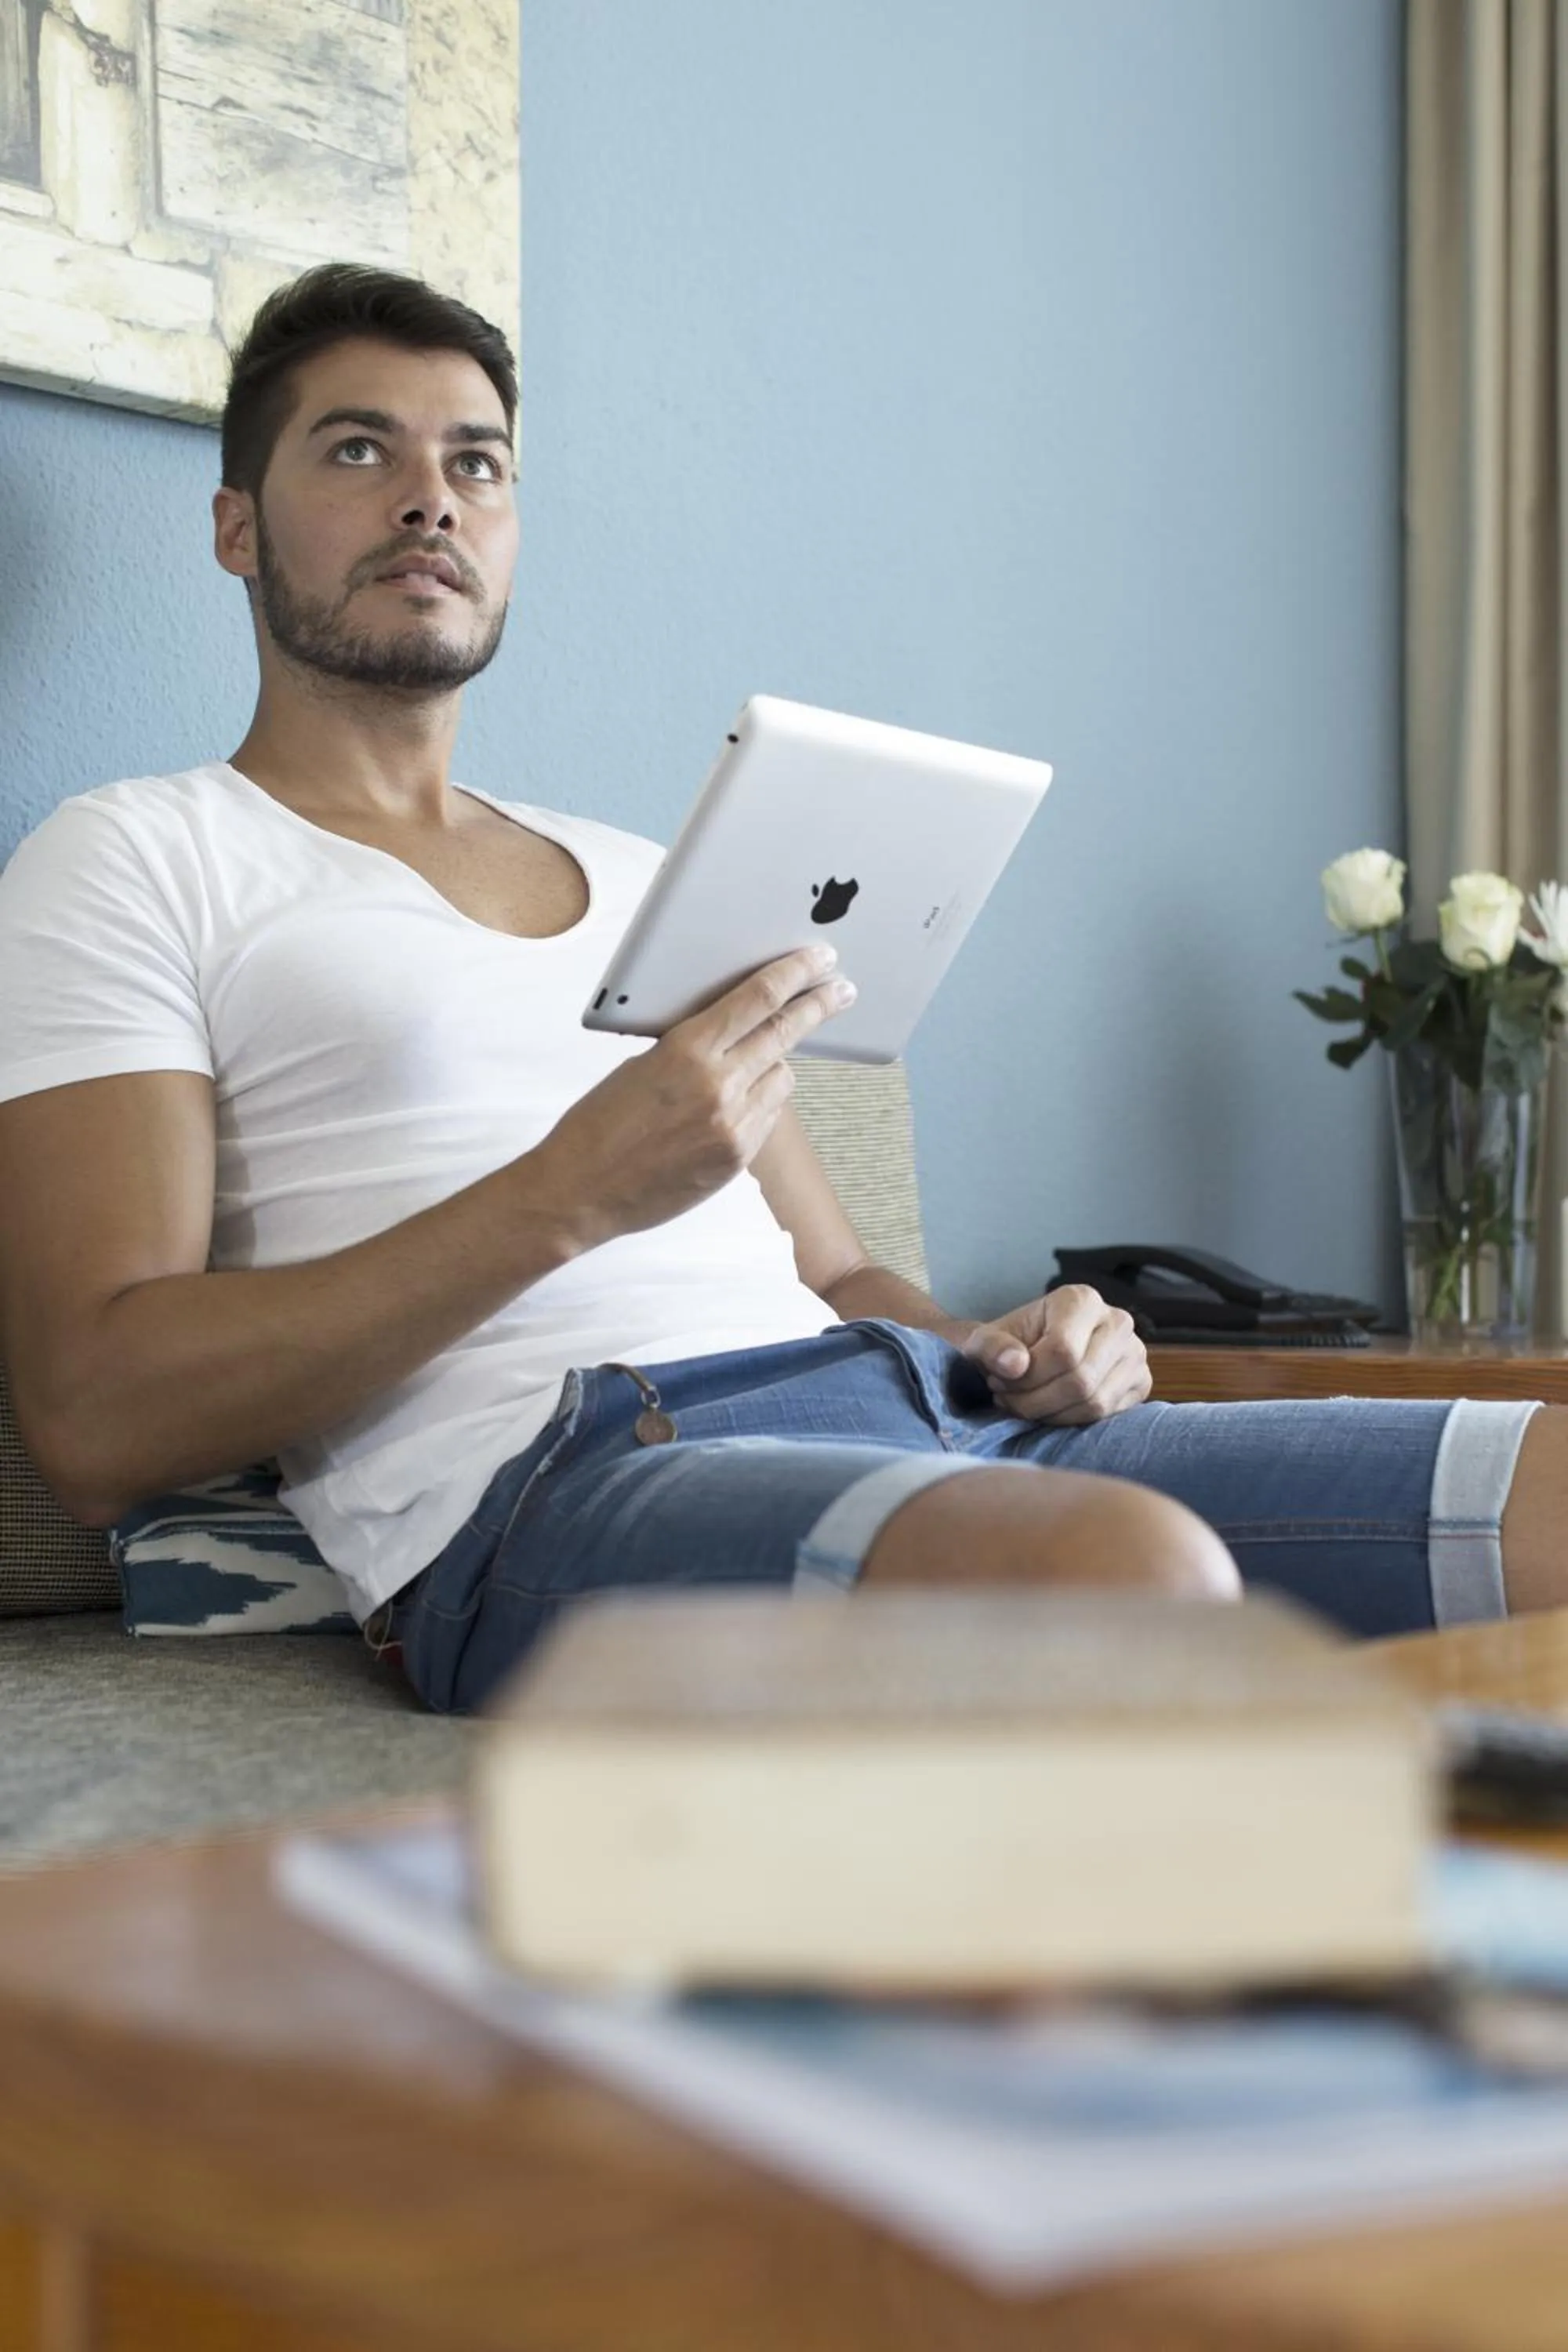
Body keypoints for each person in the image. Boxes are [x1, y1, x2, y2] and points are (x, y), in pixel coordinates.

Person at [0, 264, 1561, 1716]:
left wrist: (1018, 1344)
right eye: (358, 451)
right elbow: (95, 1414)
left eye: (477, 463)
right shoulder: (137, 855)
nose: (430, 498)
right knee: (1123, 1581)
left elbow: (838, 1277)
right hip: (564, 1486)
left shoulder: (650, 872)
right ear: (234, 528)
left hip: (923, 1407)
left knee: (1549, 1494)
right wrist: (568, 1194)